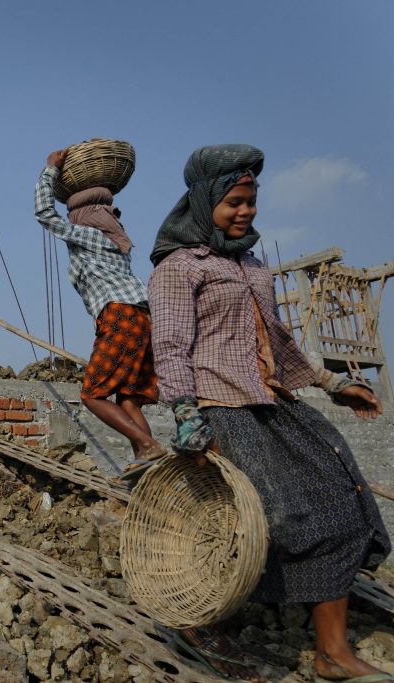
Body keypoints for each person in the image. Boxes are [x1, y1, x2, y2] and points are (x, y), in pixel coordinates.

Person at [148, 144, 390, 682]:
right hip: (221, 408)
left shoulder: (252, 264)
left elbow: (278, 341)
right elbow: (169, 346)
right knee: (269, 519)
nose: (245, 212)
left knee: (342, 502)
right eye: (234, 201)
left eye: (251, 202)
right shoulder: (179, 266)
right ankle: (201, 620)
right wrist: (188, 419)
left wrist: (333, 383)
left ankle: (332, 654)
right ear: (205, 199)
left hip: (272, 401)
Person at [35, 149, 165, 480]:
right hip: (144, 318)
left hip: (119, 316)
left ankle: (148, 448)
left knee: (93, 395)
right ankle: (148, 461)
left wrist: (50, 171)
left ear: (85, 215)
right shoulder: (117, 240)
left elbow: (44, 215)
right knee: (129, 400)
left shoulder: (89, 234)